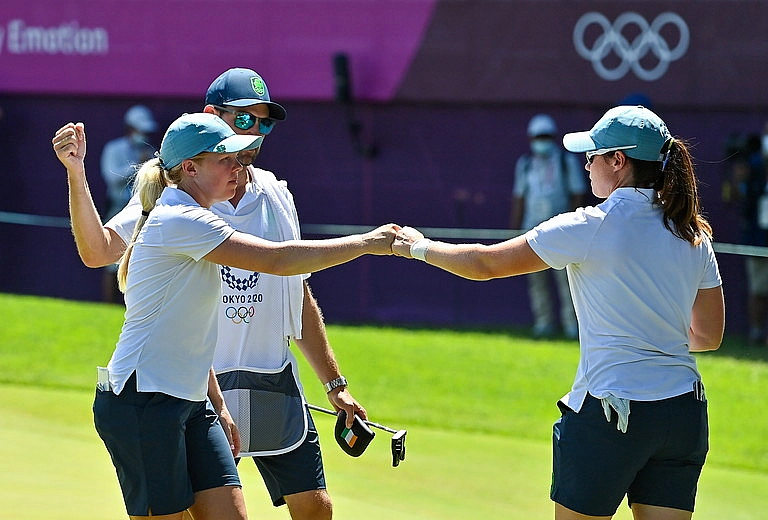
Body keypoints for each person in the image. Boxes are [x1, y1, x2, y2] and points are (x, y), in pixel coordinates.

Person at [52, 112, 398, 520]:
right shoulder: (180, 218)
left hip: (193, 400)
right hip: (142, 402)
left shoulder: (194, 214)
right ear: (190, 168)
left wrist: (216, 402)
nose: (238, 167)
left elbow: (192, 330)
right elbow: (278, 260)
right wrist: (369, 243)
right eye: (225, 160)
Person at [393, 105, 724, 520]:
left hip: (611, 413)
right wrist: (655, 334)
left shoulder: (590, 224)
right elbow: (709, 336)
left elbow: (484, 265)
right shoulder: (693, 233)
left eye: (594, 155)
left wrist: (415, 247)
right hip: (683, 414)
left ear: (618, 161)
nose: (586, 165)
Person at [511, 114, 586, 339]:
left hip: (561, 230)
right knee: (536, 280)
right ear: (531, 138)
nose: (541, 140)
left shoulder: (566, 161)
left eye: (545, 136)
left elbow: (577, 194)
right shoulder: (525, 164)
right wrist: (514, 230)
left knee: (567, 281)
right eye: (538, 136)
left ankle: (571, 325)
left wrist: (575, 228)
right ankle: (543, 324)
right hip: (530, 229)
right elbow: (519, 197)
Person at [99, 104, 158, 303]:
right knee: (110, 259)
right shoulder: (114, 148)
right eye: (139, 130)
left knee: (138, 259)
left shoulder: (151, 152)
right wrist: (138, 166)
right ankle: (107, 304)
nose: (143, 134)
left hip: (145, 209)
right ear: (130, 128)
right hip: (117, 207)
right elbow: (111, 177)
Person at [721, 131, 768, 345]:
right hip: (757, 239)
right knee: (757, 289)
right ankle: (756, 333)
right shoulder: (754, 165)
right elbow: (738, 199)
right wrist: (739, 177)